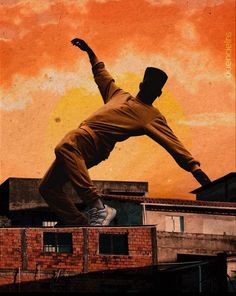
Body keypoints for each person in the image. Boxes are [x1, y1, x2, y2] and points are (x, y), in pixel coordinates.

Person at [39, 38, 211, 226]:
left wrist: (195, 168)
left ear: (158, 94)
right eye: (147, 86)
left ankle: (98, 206)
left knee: (65, 144)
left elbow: (173, 143)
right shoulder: (117, 94)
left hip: (93, 143)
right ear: (140, 85)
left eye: (154, 90)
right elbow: (102, 75)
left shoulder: (151, 116)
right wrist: (89, 51)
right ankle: (80, 224)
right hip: (82, 142)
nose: (149, 91)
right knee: (48, 187)